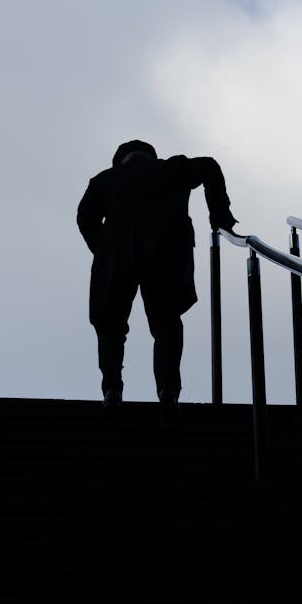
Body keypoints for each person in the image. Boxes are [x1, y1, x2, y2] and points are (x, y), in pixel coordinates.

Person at [77, 140, 238, 419]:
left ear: (120, 160)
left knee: (111, 325)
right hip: (166, 254)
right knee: (166, 323)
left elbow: (84, 217)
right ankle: (168, 391)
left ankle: (112, 390)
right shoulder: (173, 168)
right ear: (151, 156)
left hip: (117, 256)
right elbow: (210, 166)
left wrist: (103, 248)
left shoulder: (105, 179)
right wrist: (220, 216)